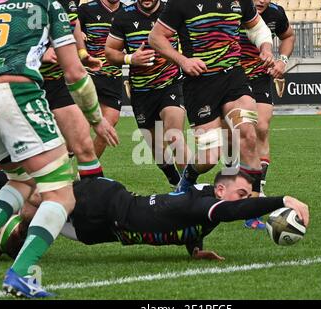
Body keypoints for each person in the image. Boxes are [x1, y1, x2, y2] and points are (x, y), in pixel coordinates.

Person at [0, 0, 115, 298]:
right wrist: (97, 119)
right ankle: (20, 274)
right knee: (61, 194)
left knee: (22, 179)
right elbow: (74, 72)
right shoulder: (46, 4)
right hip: (14, 93)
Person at [0, 171, 310, 269]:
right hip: (105, 202)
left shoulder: (204, 205)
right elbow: (230, 212)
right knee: (40, 198)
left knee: (24, 227)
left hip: (102, 229)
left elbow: (197, 220)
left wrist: (195, 249)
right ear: (219, 189)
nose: (245, 200)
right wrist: (284, 200)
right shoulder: (207, 204)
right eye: (241, 193)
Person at [148, 0, 275, 196]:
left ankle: (252, 206)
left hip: (234, 76)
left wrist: (265, 48)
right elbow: (155, 38)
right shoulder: (179, 3)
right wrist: (183, 61)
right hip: (200, 83)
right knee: (209, 157)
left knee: (249, 136)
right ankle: (188, 179)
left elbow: (258, 29)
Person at [105, 0, 189, 188]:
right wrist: (130, 58)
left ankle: (189, 190)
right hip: (141, 92)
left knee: (175, 136)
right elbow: (109, 52)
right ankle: (177, 183)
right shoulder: (123, 16)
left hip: (171, 84)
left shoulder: (173, 9)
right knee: (159, 152)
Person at [40, 0, 119, 179]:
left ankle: (88, 195)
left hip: (59, 81)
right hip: (29, 83)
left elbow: (73, 25)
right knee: (32, 161)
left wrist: (82, 55)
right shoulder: (26, 6)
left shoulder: (69, 3)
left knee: (82, 142)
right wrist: (41, 53)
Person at [239, 0, 295, 229]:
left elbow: (288, 36)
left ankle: (257, 190)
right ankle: (235, 189)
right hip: (230, 79)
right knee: (234, 139)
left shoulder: (275, 13)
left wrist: (282, 60)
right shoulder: (233, 10)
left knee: (260, 127)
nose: (261, 1)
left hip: (260, 78)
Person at [77, 0, 124, 158]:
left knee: (108, 128)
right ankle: (66, 162)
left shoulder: (127, 12)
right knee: (80, 127)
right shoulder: (86, 10)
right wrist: (79, 36)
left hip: (113, 77)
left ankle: (86, 174)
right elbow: (69, 31)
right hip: (89, 75)